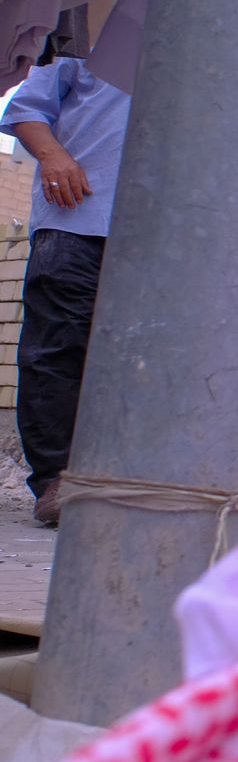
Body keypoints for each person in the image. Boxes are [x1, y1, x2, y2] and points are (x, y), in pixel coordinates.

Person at [1, 53, 131, 527]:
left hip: (164, 234)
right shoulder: (92, 33)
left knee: (143, 355)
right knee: (57, 349)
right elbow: (25, 110)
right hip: (77, 217)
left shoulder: (210, 47)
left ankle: (132, 480)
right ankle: (58, 479)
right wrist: (54, 155)